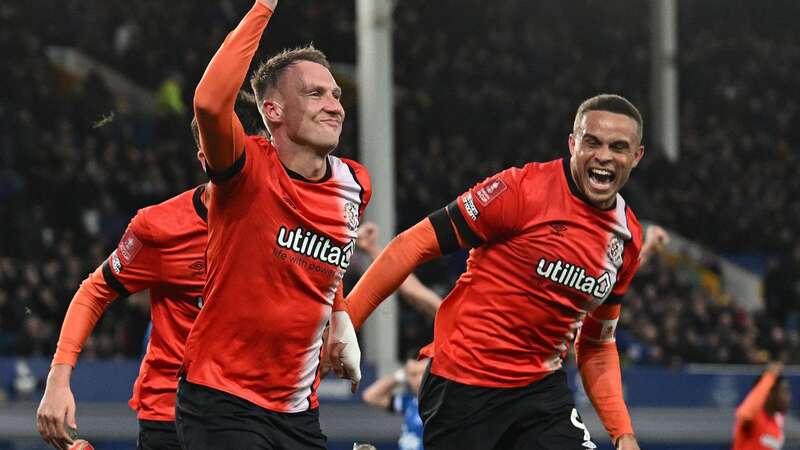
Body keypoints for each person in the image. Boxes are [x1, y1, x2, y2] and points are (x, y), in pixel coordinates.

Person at [346, 94, 646, 449]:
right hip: (463, 383)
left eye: (618, 147)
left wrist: (623, 433)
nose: (604, 156)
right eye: (592, 142)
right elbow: (411, 245)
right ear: (572, 143)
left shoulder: (626, 239)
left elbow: (596, 344)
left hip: (540, 392)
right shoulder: (522, 190)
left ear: (636, 156)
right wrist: (345, 323)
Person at [176, 1, 370, 449]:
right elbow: (208, 101)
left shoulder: (356, 184)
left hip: (299, 410)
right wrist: (265, 4)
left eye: (337, 95)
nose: (334, 105)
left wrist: (340, 319)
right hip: (223, 399)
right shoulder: (244, 170)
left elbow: (329, 254)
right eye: (316, 94)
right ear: (274, 111)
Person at [36, 93, 266, 450]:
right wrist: (58, 378)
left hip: (259, 412)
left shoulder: (296, 225)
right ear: (207, 161)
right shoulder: (161, 227)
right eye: (233, 161)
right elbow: (95, 291)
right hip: (171, 417)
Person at [356, 222, 442, 319]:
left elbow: (413, 292)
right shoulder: (454, 317)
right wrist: (371, 249)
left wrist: (371, 249)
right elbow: (413, 291)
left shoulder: (457, 321)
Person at [362, 353, 429, 450]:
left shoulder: (439, 404)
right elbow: (370, 396)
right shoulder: (408, 403)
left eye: (423, 373)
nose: (419, 380)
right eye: (413, 375)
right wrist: (400, 375)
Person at [732, 362, 790, 449]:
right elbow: (744, 414)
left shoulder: (777, 420)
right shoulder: (754, 417)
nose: (788, 397)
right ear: (770, 394)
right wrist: (769, 378)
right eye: (784, 392)